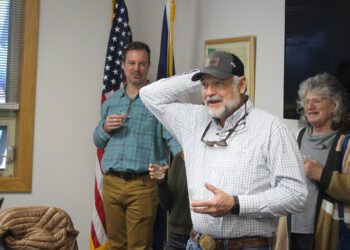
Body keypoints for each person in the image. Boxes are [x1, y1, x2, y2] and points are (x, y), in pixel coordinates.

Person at [139, 51, 308, 250]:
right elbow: (149, 95)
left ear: (241, 85)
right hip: (197, 244)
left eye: (219, 83)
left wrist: (236, 204)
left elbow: (296, 195)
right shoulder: (193, 120)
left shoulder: (271, 129)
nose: (209, 92)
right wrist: (199, 76)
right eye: (205, 85)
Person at [93, 41, 181, 250]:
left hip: (143, 186)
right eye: (131, 63)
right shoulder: (111, 102)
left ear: (148, 66)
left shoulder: (158, 103)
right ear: (123, 65)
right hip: (112, 183)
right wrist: (105, 128)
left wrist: (180, 167)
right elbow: (98, 140)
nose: (136, 68)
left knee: (138, 247)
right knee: (115, 245)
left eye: (142, 63)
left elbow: (174, 142)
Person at [289, 72, 350, 250]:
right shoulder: (297, 137)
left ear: (334, 104)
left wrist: (322, 175)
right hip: (291, 228)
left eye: (317, 100)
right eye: (306, 101)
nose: (310, 106)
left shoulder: (345, 142)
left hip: (328, 234)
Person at [149, 151, 193, 250]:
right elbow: (167, 204)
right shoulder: (180, 157)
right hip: (176, 237)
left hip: (203, 239)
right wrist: (161, 182)